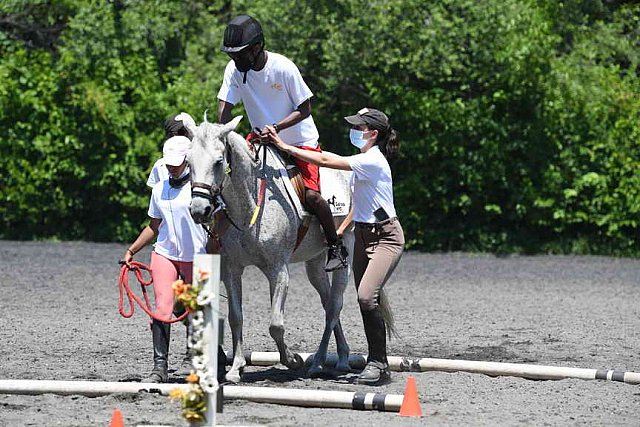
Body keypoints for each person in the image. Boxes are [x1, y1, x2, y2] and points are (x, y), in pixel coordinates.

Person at [268, 107, 404, 385]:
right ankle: (376, 360)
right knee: (367, 299)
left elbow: (326, 160)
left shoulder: (372, 160)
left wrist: (284, 146)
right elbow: (361, 205)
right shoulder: (365, 161)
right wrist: (341, 231)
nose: (353, 131)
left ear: (373, 133)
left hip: (387, 237)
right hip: (364, 235)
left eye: (359, 127)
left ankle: (378, 363)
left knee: (366, 297)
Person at [216, 14, 347, 271]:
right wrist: (220, 134)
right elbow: (225, 106)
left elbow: (305, 107)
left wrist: (276, 128)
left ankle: (335, 246)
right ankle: (218, 245)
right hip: (260, 140)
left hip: (299, 142)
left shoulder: (283, 67)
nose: (235, 60)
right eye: (231, 55)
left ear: (256, 48)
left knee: (312, 197)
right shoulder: (234, 69)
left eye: (240, 54)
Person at [122, 135, 208, 383]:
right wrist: (132, 250)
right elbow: (153, 225)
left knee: (197, 310)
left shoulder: (201, 187)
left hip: (198, 255)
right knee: (162, 309)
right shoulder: (159, 188)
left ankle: (198, 362)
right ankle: (159, 368)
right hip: (165, 253)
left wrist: (215, 245)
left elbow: (220, 220)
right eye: (169, 162)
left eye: (177, 162)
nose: (171, 167)